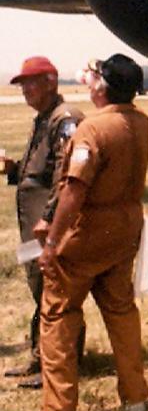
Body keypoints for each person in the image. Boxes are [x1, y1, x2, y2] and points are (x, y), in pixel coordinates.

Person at [37, 54, 148, 411]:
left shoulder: (93, 129)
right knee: (121, 313)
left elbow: (73, 191)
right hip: (125, 228)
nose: (88, 81)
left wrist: (52, 243)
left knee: (57, 319)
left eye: (94, 77)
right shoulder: (141, 122)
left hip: (88, 234)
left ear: (102, 86)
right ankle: (135, 399)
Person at [3, 56, 83, 389]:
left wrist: (50, 218)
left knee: (55, 294)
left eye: (32, 82)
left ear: (52, 82)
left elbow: (66, 176)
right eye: (22, 85)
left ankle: (63, 364)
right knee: (39, 290)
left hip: (46, 228)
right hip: (31, 228)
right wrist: (12, 168)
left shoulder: (64, 120)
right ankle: (41, 356)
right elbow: (39, 171)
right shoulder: (43, 119)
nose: (25, 90)